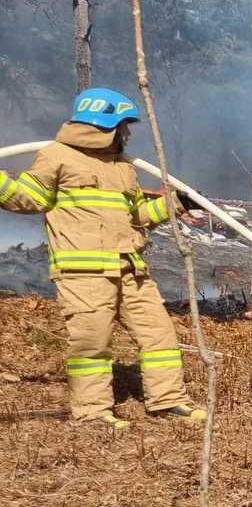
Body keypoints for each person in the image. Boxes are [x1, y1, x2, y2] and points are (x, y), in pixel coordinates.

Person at [0, 87, 205, 428]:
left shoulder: (123, 167)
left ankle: (168, 401)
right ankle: (93, 411)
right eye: (123, 125)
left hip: (131, 269)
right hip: (84, 272)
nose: (127, 133)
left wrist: (178, 203)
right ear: (103, 124)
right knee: (91, 341)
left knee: (160, 336)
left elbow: (138, 214)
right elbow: (28, 198)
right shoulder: (56, 156)